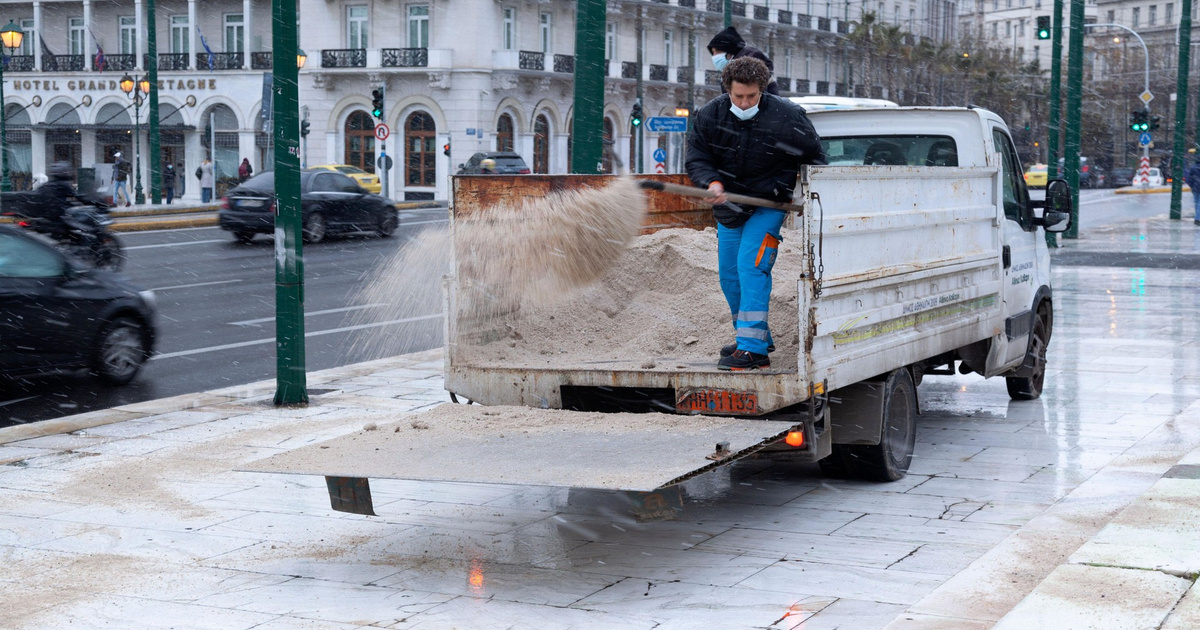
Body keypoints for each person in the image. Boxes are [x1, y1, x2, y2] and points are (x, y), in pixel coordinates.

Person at [686, 56, 825, 371]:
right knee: (729, 276)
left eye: (752, 96)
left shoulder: (787, 116)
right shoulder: (710, 116)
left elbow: (815, 156)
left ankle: (753, 351)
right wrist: (712, 182)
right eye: (739, 96)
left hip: (768, 205)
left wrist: (809, 193)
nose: (745, 103)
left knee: (752, 267)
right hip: (729, 207)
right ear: (728, 91)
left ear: (762, 91)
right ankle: (754, 335)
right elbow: (697, 157)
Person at [707, 26, 779, 96]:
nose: (714, 56)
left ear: (730, 52)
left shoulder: (749, 65)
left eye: (718, 51)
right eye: (713, 53)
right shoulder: (732, 70)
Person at [1185, 157, 1200, 225]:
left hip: (1195, 188)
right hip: (1196, 187)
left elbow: (1189, 179)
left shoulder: (1193, 168)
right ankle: (1197, 219)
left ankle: (1197, 218)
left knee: (1196, 204)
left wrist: (1192, 186)